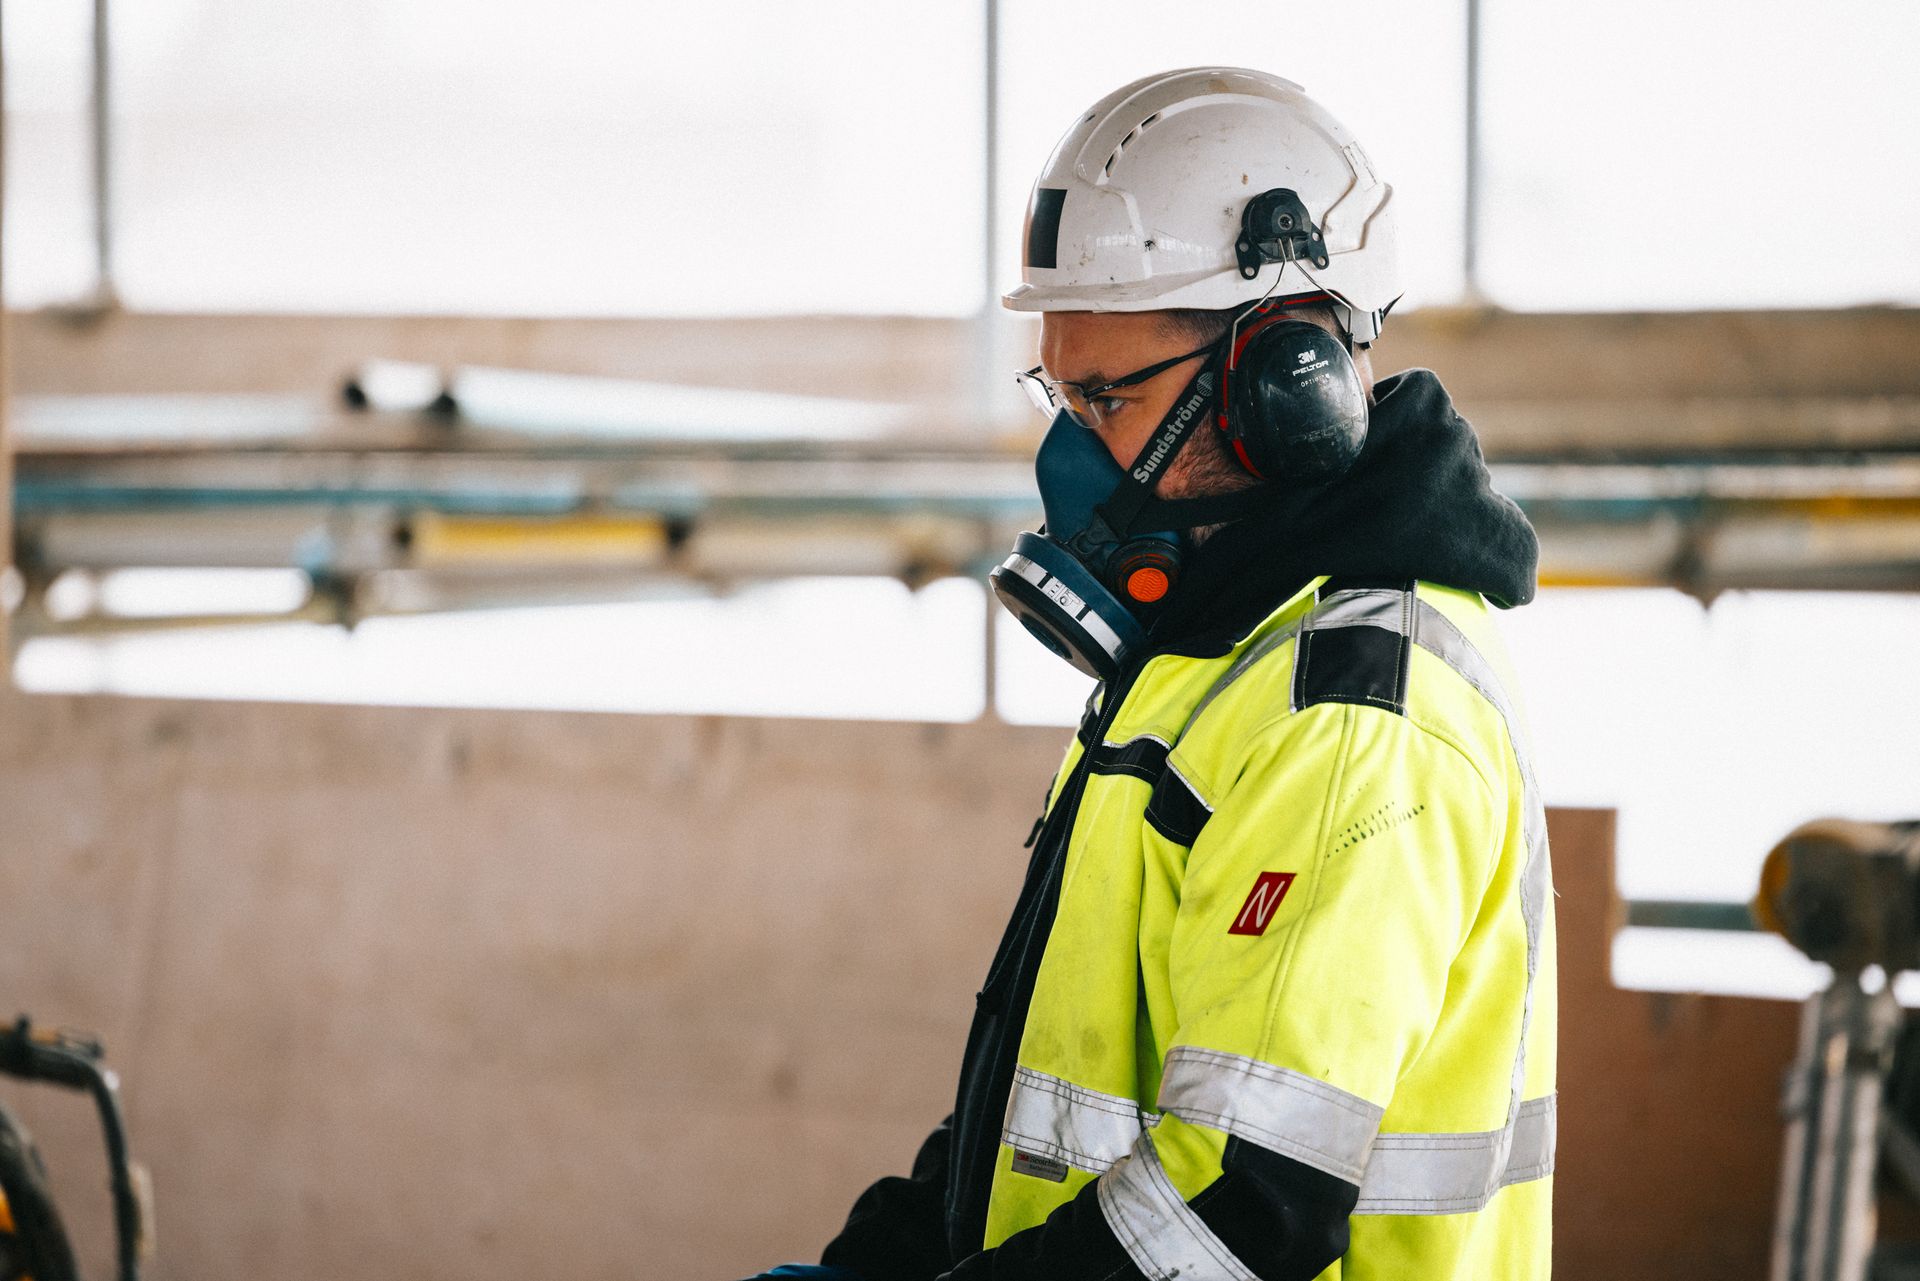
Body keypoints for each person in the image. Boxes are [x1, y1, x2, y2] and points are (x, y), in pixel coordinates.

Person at [744, 66, 1554, 1281]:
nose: (1071, 454)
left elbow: (1239, 1207)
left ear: (1286, 390)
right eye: (1057, 394)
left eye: (1106, 398)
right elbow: (1060, 1075)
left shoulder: (1350, 714)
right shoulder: (1208, 660)